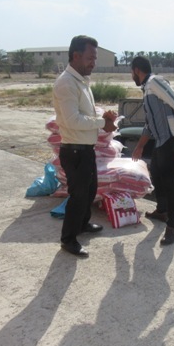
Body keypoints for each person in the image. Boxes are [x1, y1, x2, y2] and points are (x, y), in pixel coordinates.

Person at [53, 35, 117, 258]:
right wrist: (103, 123)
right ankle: (68, 239)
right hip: (74, 151)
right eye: (90, 58)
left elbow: (86, 113)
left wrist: (104, 116)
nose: (93, 63)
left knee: (89, 192)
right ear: (76, 55)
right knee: (78, 196)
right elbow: (71, 120)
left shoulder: (81, 82)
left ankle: (82, 225)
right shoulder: (65, 83)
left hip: (85, 149)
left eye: (95, 58)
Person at [130, 56, 174, 245]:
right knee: (157, 174)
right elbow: (149, 124)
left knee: (168, 181)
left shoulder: (155, 81)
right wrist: (140, 146)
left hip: (173, 139)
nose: (131, 76)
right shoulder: (147, 90)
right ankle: (162, 210)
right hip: (161, 141)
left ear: (136, 70)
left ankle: (173, 227)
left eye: (131, 72)